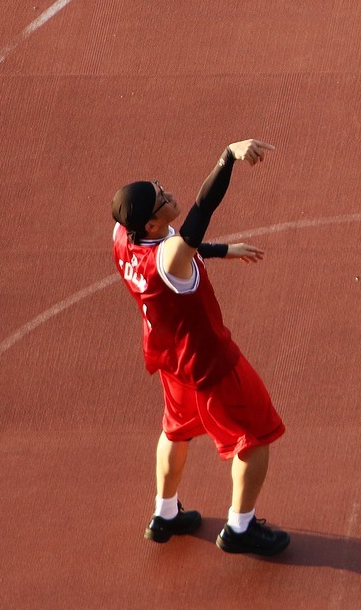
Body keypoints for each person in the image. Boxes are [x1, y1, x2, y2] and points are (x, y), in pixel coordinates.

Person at [111, 139, 290, 557]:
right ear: (152, 226)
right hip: (209, 363)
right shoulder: (169, 256)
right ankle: (240, 528)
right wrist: (228, 157)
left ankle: (165, 513)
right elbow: (198, 218)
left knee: (175, 429)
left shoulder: (123, 236)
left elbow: (181, 250)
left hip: (170, 360)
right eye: (161, 200)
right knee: (256, 436)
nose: (167, 194)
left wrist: (224, 251)